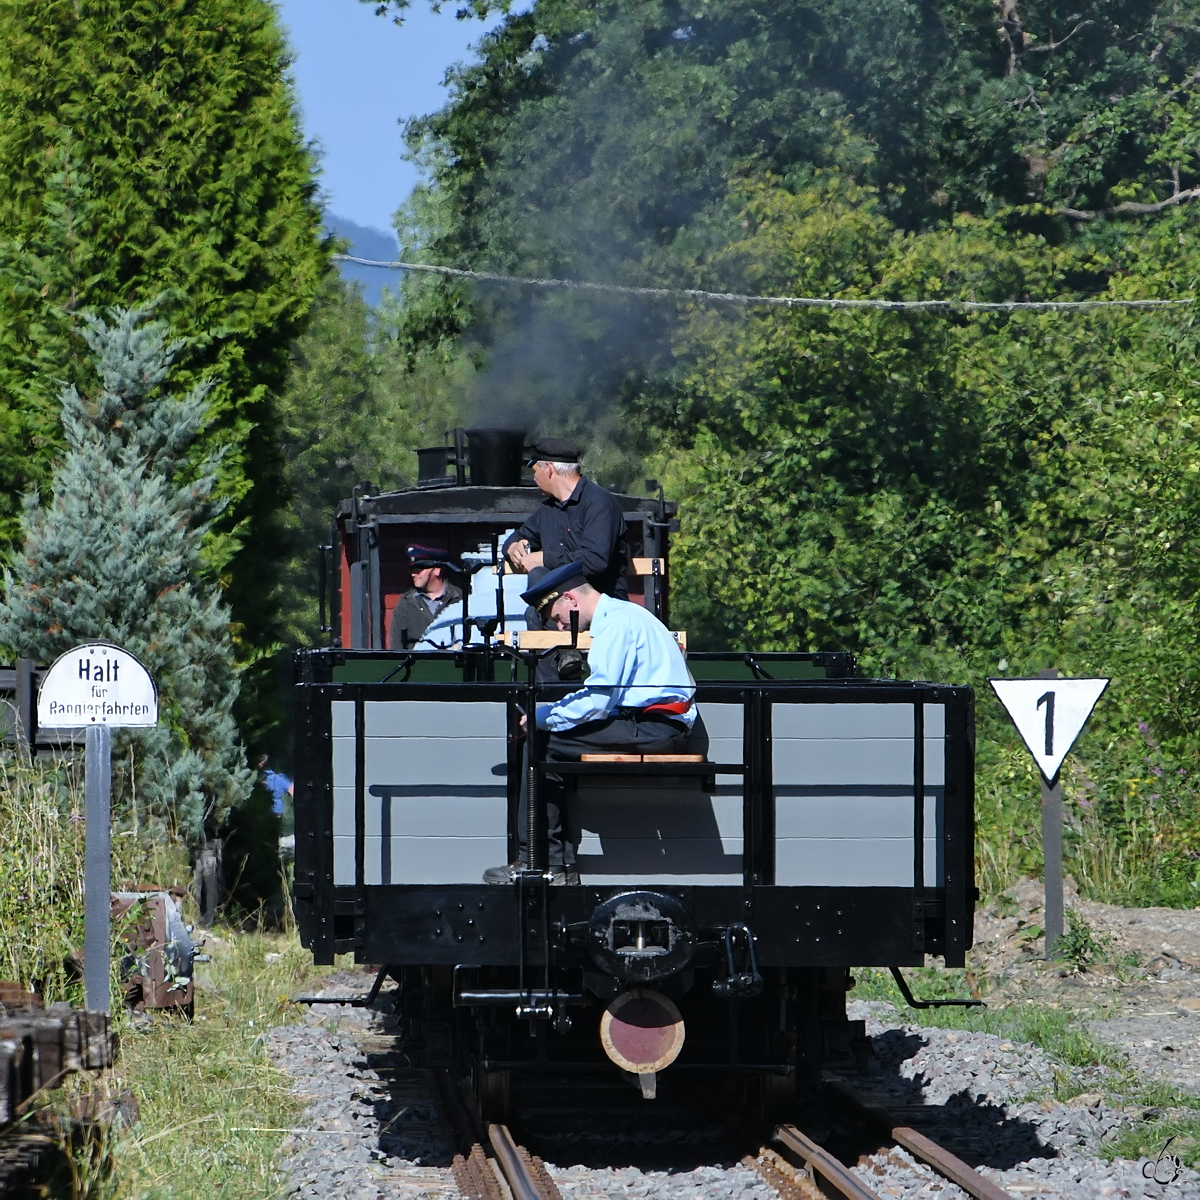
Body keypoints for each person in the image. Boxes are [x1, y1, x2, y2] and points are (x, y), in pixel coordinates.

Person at [483, 561, 698, 885]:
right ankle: (558, 868)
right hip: (656, 724)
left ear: (570, 599)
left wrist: (539, 716)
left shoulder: (615, 625)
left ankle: (537, 862)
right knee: (551, 742)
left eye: (556, 617)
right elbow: (607, 700)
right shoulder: (625, 616)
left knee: (541, 741)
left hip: (659, 728)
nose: (558, 628)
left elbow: (597, 702)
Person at [503, 437, 628, 599]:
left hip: (601, 600)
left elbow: (595, 561)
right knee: (535, 595)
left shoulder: (599, 503)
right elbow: (517, 537)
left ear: (548, 469)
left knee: (538, 582)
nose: (534, 479)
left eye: (535, 471)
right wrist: (513, 548)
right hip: (558, 602)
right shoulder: (547, 509)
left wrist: (543, 559)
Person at [389, 544, 463, 649]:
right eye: (412, 570)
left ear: (437, 570)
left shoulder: (460, 599)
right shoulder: (406, 603)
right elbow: (396, 647)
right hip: (417, 664)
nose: (413, 574)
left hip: (453, 664)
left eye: (419, 569)